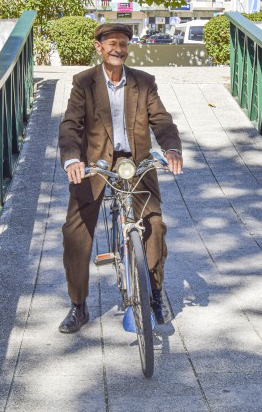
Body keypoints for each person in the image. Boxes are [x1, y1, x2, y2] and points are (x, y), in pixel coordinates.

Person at [57, 23, 183, 333]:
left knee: (153, 223)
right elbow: (70, 125)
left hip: (135, 160)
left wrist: (171, 149)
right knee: (75, 232)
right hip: (95, 162)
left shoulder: (143, 82)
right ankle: (79, 305)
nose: (118, 49)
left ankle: (154, 294)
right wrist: (73, 159)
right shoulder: (84, 82)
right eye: (111, 43)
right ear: (99, 48)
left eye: (123, 44)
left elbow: (162, 120)